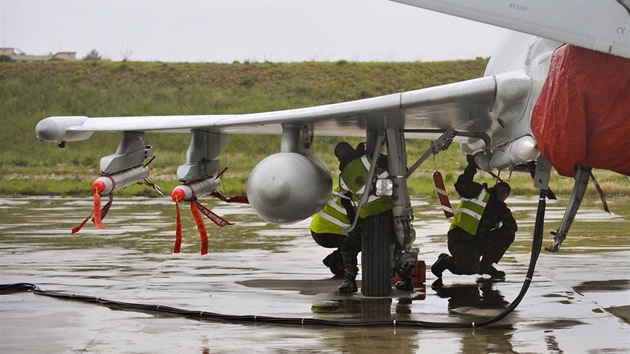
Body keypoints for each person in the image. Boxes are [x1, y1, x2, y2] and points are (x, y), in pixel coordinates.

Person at [310, 141, 392, 293]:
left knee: (349, 247)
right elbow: (391, 165)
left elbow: (350, 195)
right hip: (388, 210)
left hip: (366, 216)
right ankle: (406, 278)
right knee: (396, 242)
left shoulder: (344, 178)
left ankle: (350, 281)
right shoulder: (369, 159)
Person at [431, 154, 517, 281]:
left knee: (509, 233)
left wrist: (504, 213)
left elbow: (511, 227)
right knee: (468, 269)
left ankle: (486, 265)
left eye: (507, 193)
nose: (504, 193)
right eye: (502, 189)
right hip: (460, 237)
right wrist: (472, 166)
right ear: (495, 187)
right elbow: (461, 185)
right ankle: (445, 261)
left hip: (477, 242)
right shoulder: (479, 192)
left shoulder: (501, 209)